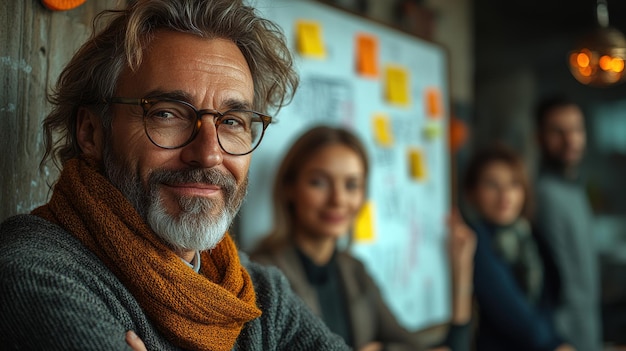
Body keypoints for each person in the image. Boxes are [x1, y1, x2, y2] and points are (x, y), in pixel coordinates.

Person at [0, 1, 351, 350]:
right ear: (91, 132)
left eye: (231, 122)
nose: (209, 153)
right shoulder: (33, 270)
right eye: (168, 114)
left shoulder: (259, 297)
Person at [250, 125, 475, 351]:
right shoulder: (259, 275)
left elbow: (416, 346)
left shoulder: (354, 270)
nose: (338, 199)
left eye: (351, 185)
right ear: (289, 187)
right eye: (319, 182)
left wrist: (461, 269)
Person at [462, 144, 573, 351]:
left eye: (513, 184)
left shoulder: (528, 236)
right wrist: (555, 344)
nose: (505, 195)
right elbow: (510, 310)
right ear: (472, 192)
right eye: (492, 185)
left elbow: (548, 306)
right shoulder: (474, 239)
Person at [534, 96, 602, 351]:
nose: (570, 139)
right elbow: (559, 284)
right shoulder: (544, 195)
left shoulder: (574, 189)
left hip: (586, 333)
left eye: (576, 129)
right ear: (539, 137)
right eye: (558, 131)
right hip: (563, 339)